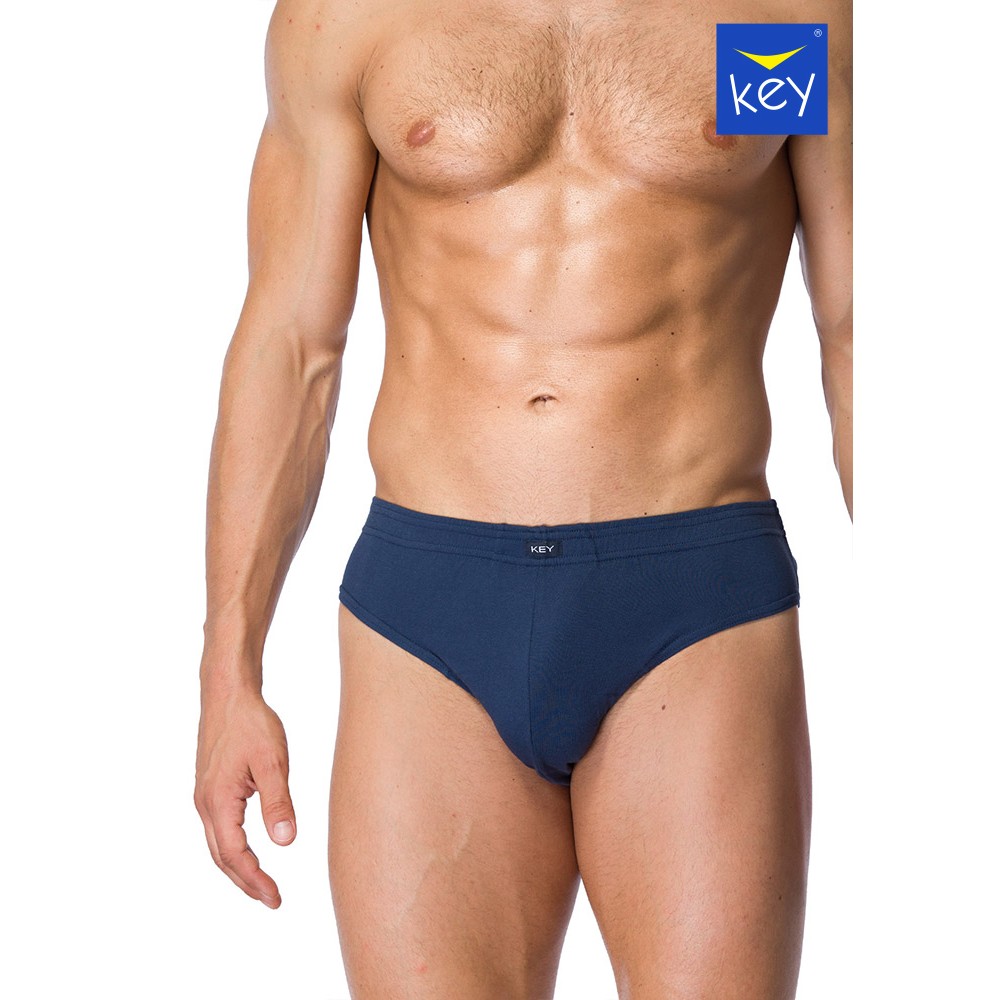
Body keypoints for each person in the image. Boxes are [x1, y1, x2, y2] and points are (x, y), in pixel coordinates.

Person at [194, 0, 852, 996]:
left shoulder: (776, 15)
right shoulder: (351, 18)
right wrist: (228, 671)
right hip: (429, 617)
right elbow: (291, 342)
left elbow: (856, 326)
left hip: (694, 600)